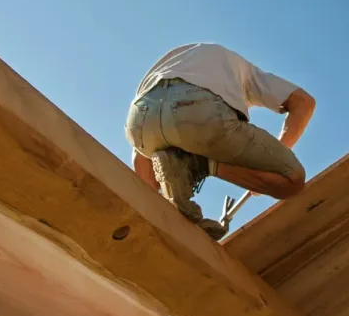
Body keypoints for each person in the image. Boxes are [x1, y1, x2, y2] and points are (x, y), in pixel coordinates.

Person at [125, 43, 316, 240]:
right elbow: (304, 102)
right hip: (196, 109)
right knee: (292, 181)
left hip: (138, 120)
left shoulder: (173, 62)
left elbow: (142, 157)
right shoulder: (244, 71)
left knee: (159, 195)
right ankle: (199, 165)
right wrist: (265, 170)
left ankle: (174, 217)